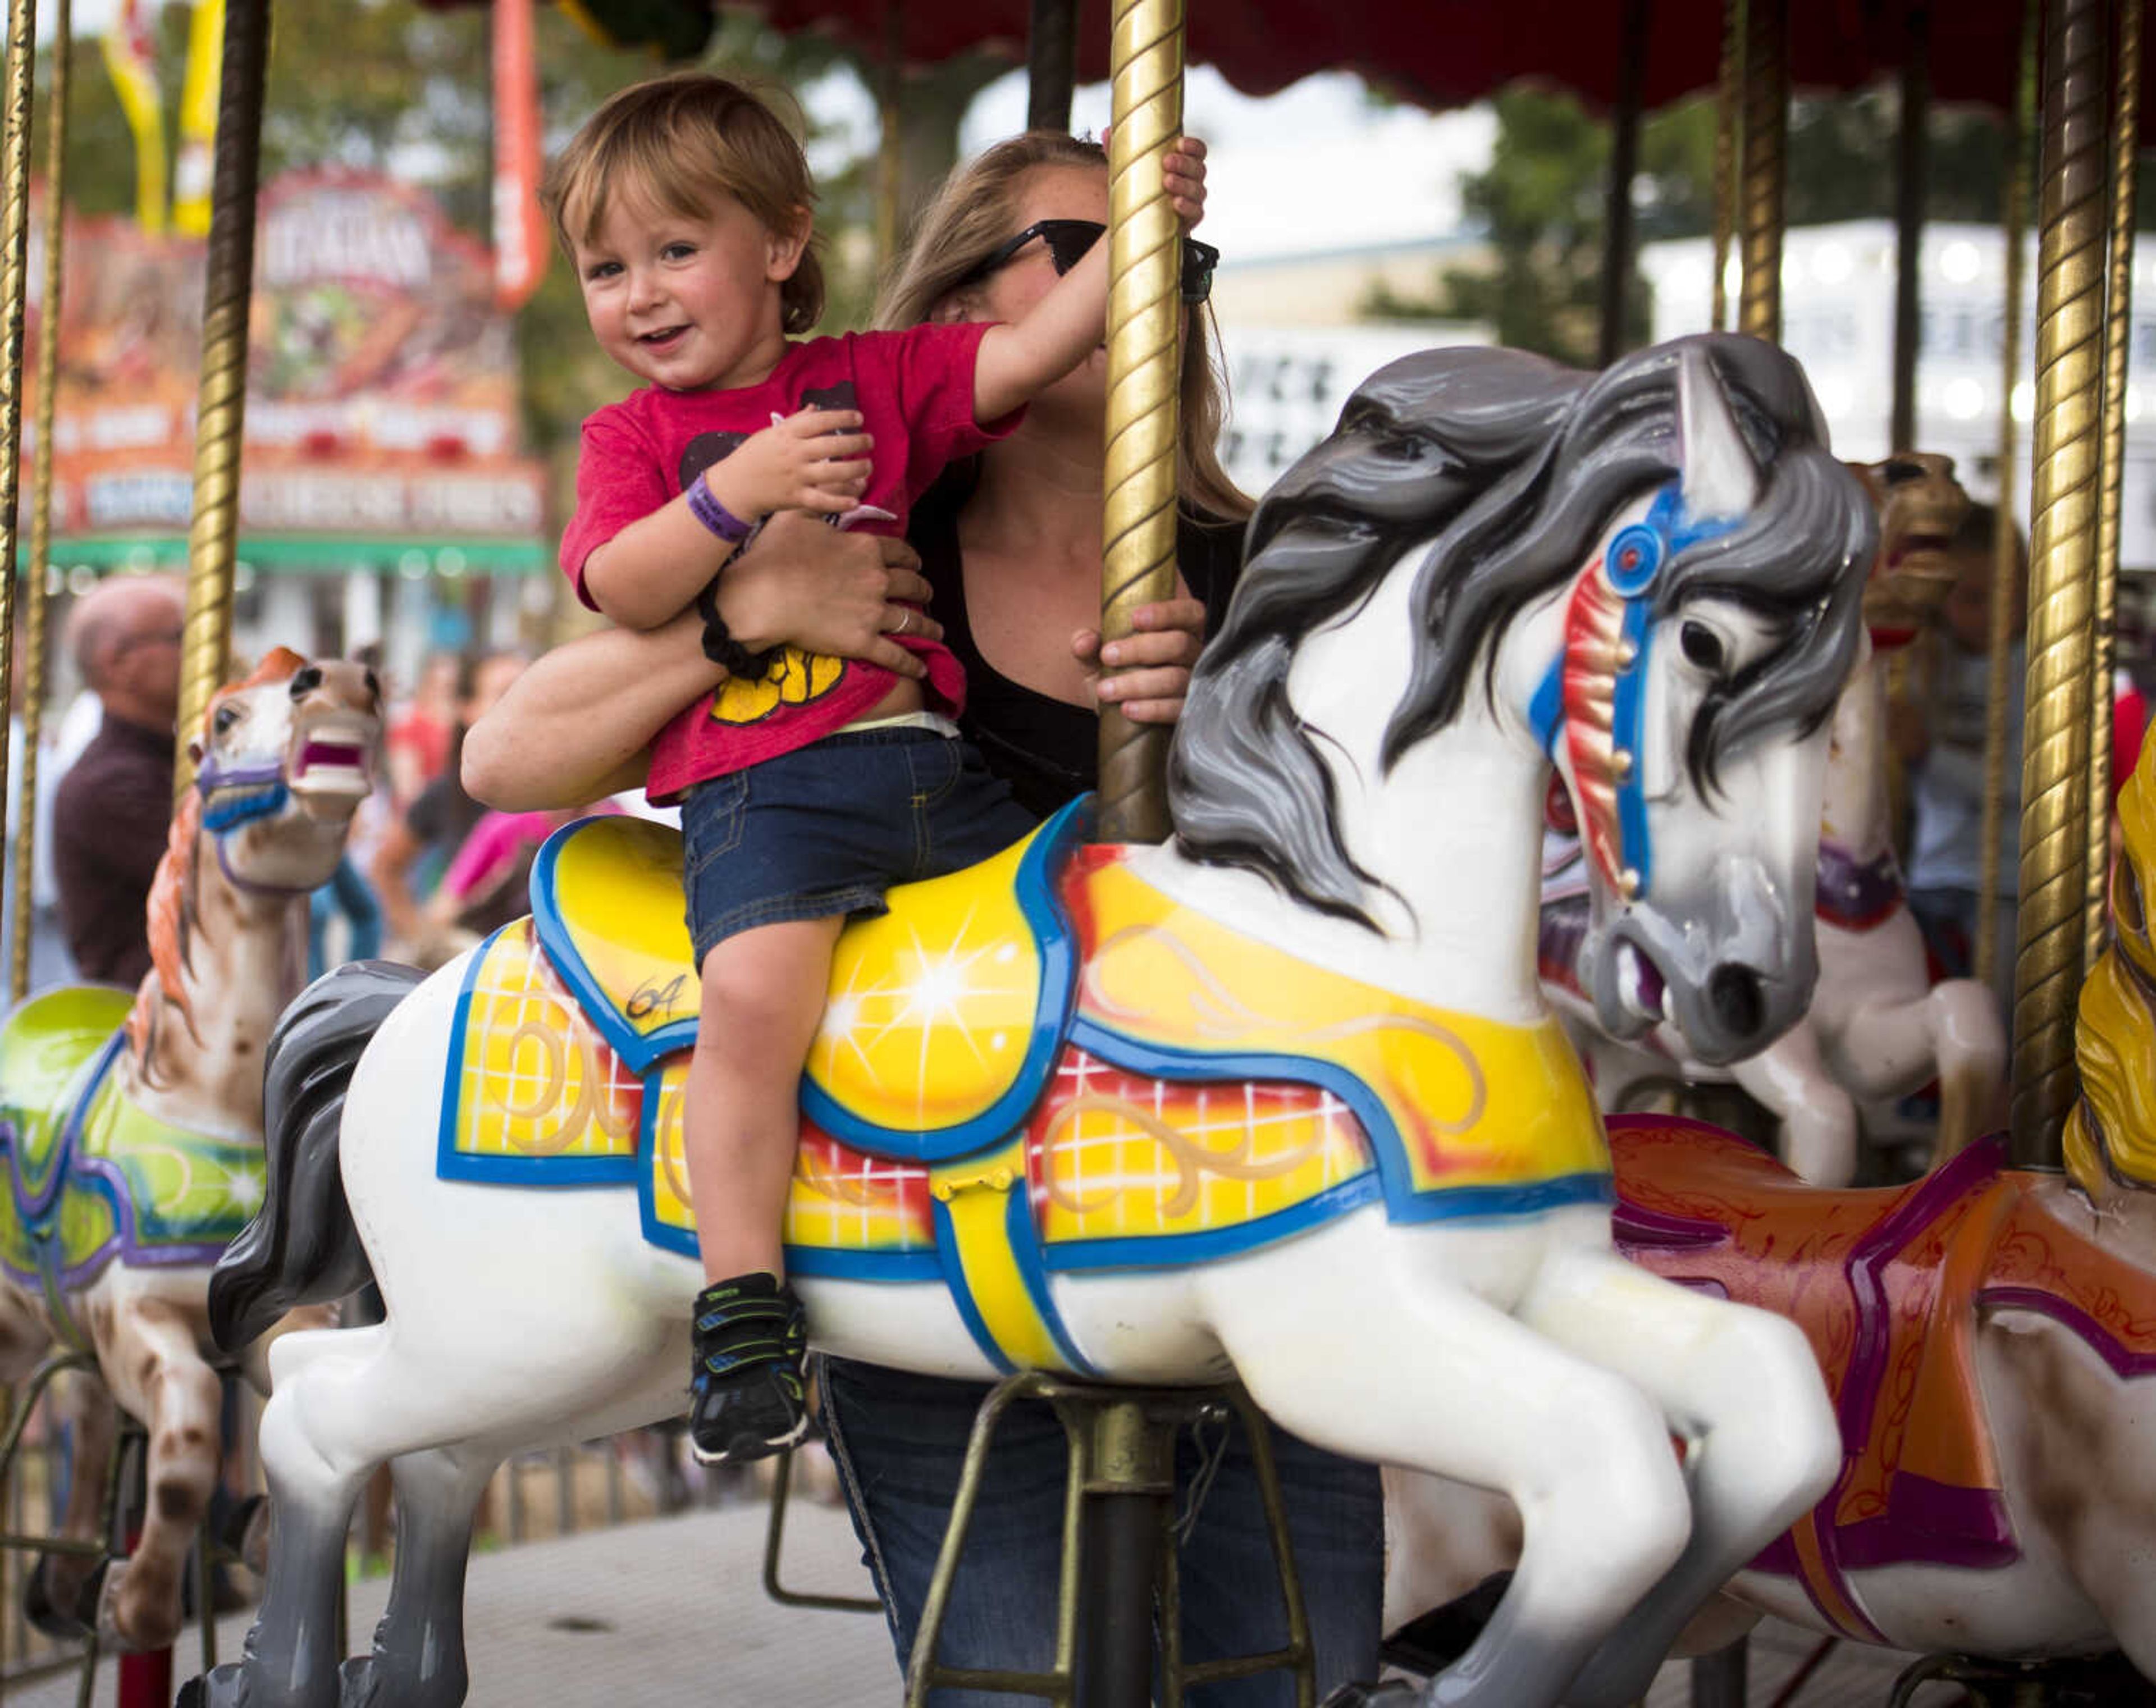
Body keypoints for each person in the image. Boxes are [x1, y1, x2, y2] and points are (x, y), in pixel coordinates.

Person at [466, 130, 1381, 1706]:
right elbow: (510, 753)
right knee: (1009, 1676)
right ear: (969, 297)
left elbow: (1370, 881)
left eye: (1174, 262)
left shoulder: (1262, 570)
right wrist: (751, 620)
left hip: (1235, 1204)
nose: (1139, 286)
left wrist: (1229, 719)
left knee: (1291, 1678)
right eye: (1082, 250)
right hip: (950, 1214)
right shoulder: (863, 513)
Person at [540, 72, 1211, 1469]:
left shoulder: (871, 377)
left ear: (781, 245)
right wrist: (737, 496)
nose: (640, 295)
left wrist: (1146, 233)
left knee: (1077, 930)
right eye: (606, 268)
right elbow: (615, 577)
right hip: (767, 788)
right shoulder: (634, 440)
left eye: (675, 251)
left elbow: (1020, 364)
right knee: (753, 1000)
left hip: (918, 760)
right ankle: (743, 1299)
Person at [1898, 502, 2026, 1021]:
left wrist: (1930, 753)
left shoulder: (2040, 672)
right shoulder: (1929, 662)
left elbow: (2025, 782)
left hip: (2002, 882)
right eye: (1951, 597)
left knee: (1991, 1020)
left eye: (1978, 598)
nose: (1959, 613)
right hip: (1930, 874)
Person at [51, 575, 185, 988]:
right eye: (180, 636)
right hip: (139, 1023)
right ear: (119, 662)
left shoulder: (163, 759)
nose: (204, 651)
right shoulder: (108, 784)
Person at [368, 649, 529, 967]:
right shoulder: (446, 794)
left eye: (532, 690)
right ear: (467, 709)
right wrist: (427, 942)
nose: (524, 705)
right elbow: (386, 867)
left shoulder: (571, 798)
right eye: (505, 694)